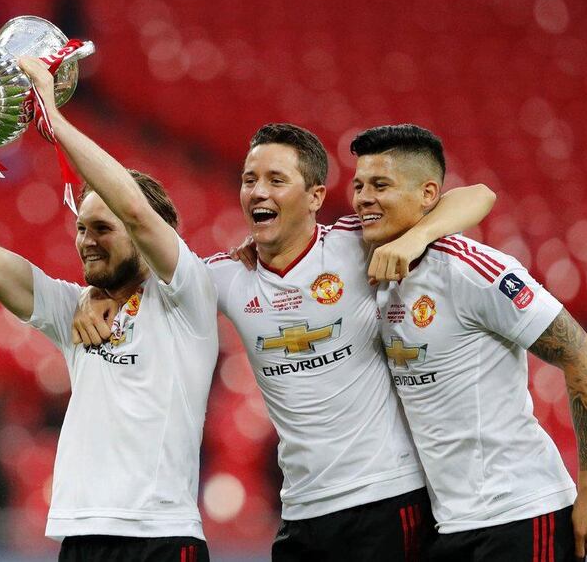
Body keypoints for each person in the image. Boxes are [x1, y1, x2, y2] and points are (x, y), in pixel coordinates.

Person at [75, 123, 496, 560]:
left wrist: (414, 239)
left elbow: (479, 195)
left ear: (315, 197)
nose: (258, 191)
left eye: (276, 180)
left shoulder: (357, 243)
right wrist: (97, 294)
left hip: (386, 500)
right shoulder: (225, 275)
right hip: (301, 514)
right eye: (249, 179)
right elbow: (147, 275)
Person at [0, 57, 218, 561]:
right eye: (82, 227)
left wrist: (53, 118)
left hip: (160, 536)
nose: (87, 242)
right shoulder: (70, 307)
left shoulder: (189, 297)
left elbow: (138, 213)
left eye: (103, 229)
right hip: (80, 537)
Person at [350, 124, 587, 561]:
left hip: (521, 513)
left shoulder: (472, 270)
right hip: (449, 524)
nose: (363, 197)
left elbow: (582, 356)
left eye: (381, 185)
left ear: (428, 194)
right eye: (358, 184)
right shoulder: (371, 264)